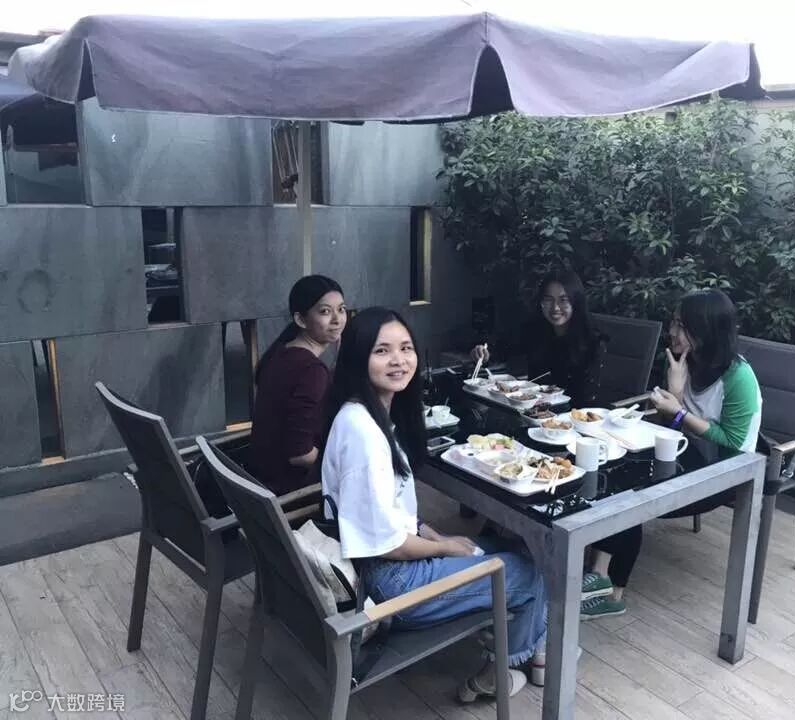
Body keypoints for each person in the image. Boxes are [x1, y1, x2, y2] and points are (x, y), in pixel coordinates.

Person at [321, 307, 552, 700]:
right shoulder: (363, 434)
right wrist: (445, 548)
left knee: (519, 549)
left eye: (406, 348)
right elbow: (388, 545)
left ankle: (526, 644)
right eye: (382, 351)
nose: (398, 360)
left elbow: (390, 512)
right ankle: (503, 668)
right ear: (359, 358)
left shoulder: (364, 414)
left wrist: (437, 536)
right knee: (533, 573)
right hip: (390, 586)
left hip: (385, 568)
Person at [581, 289, 763, 619]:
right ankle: (600, 575)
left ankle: (612, 590)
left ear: (707, 330)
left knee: (632, 495)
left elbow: (733, 444)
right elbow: (672, 428)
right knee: (616, 475)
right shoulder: (684, 362)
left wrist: (678, 409)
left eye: (682, 325)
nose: (673, 332)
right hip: (685, 456)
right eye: (674, 322)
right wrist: (676, 396)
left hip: (726, 473)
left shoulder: (739, 377)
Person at [249, 275, 346, 495]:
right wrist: (343, 465)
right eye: (325, 311)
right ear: (301, 320)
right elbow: (300, 455)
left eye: (341, 309)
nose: (337, 320)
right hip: (292, 493)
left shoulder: (281, 352)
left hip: (261, 479)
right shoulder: (311, 370)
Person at [471, 269, 604, 407]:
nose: (555, 308)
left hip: (573, 414)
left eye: (563, 300)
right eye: (548, 299)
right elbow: (504, 348)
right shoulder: (535, 329)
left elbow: (587, 398)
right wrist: (485, 353)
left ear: (576, 301)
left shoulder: (592, 341)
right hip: (532, 410)